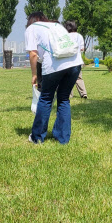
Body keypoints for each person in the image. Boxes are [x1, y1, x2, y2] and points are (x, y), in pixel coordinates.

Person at [25, 12, 83, 144]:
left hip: (54, 64)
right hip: (75, 63)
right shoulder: (57, 25)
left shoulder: (31, 29)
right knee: (63, 99)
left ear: (30, 21)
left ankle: (37, 137)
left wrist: (34, 74)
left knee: (46, 98)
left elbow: (33, 54)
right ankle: (63, 138)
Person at [64, 20, 88, 99]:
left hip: (67, 61)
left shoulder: (65, 36)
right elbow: (82, 49)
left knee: (67, 78)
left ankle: (69, 94)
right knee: (79, 78)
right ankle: (83, 93)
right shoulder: (79, 36)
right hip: (78, 61)